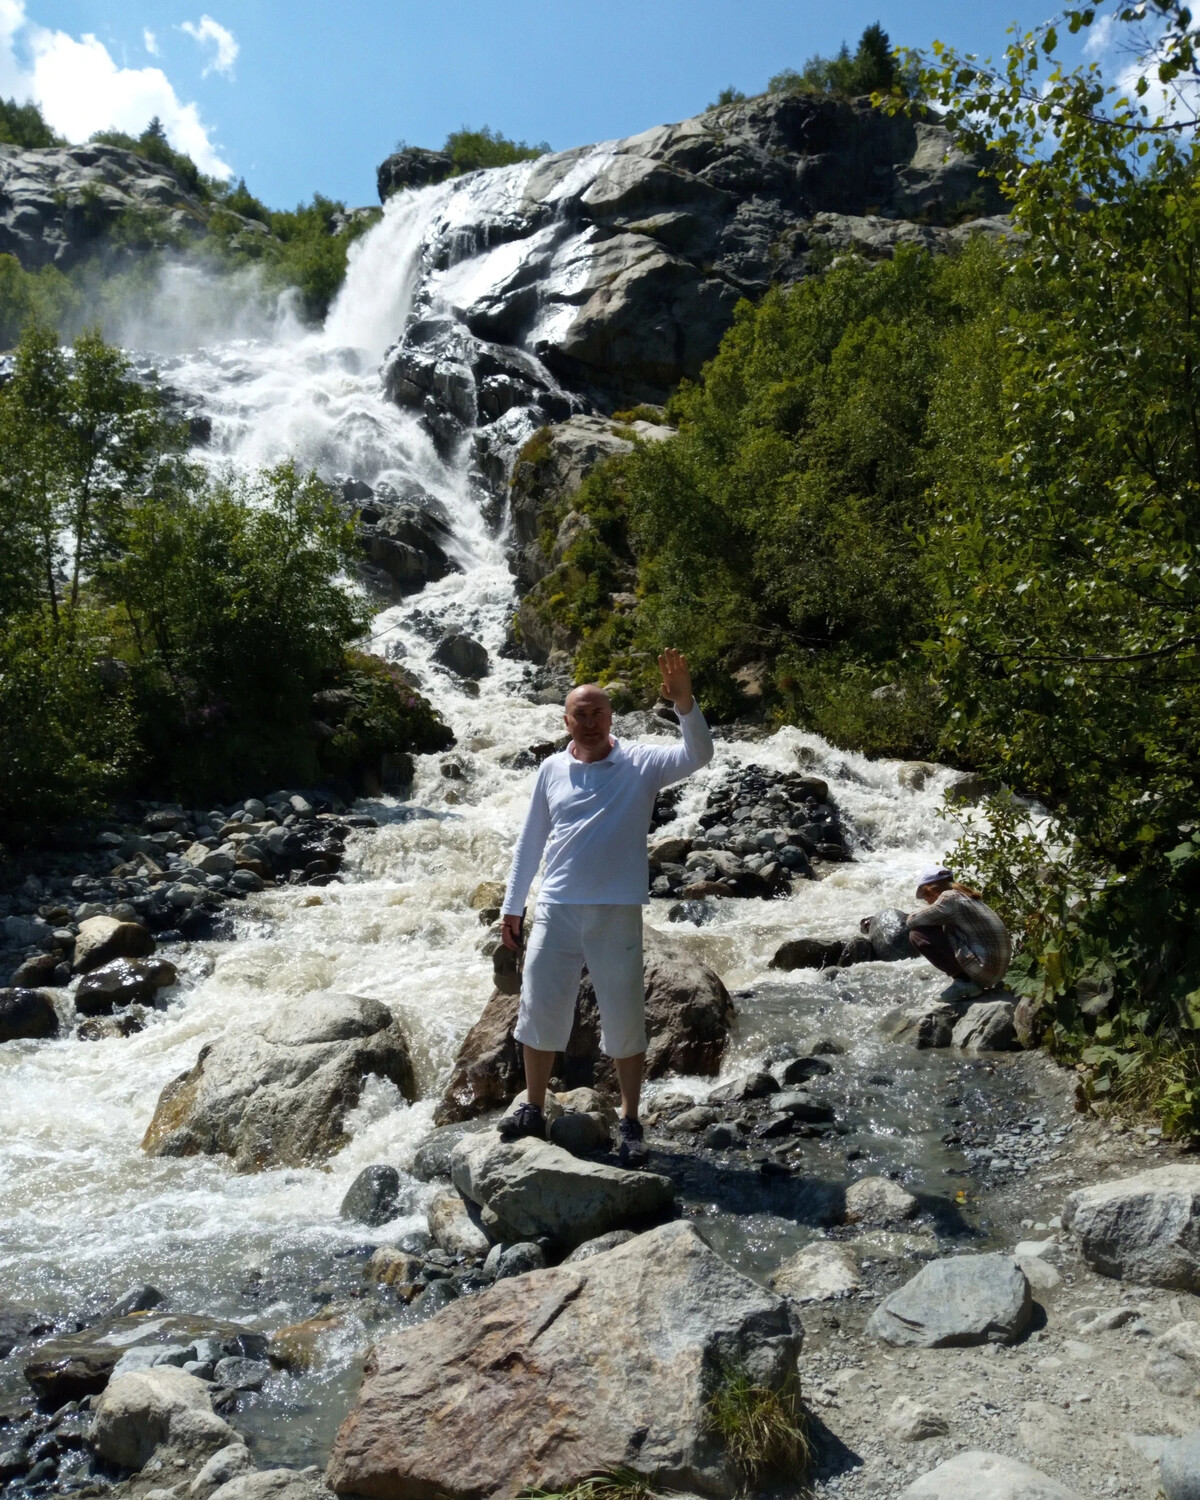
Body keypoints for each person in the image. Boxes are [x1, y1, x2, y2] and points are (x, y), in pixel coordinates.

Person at [498, 648, 714, 1165]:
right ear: (565, 720)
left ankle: (631, 1117)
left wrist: (684, 702)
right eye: (580, 714)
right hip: (556, 905)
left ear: (611, 717)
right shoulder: (550, 769)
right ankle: (532, 1106)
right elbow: (531, 841)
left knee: (624, 1015)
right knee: (540, 1008)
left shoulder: (640, 762)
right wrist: (513, 905)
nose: (590, 722)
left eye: (598, 712)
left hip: (616, 909)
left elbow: (699, 754)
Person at [906, 864, 1012, 999]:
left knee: (917, 934)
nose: (927, 902)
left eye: (926, 898)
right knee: (937, 924)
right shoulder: (965, 896)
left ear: (929, 891)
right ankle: (967, 982)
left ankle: (965, 982)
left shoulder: (949, 898)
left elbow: (912, 921)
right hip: (995, 972)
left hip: (984, 970)